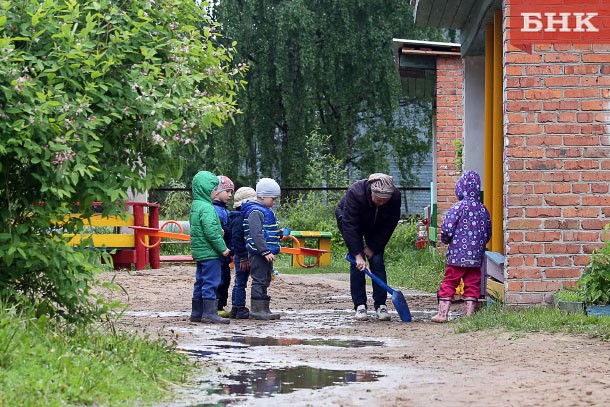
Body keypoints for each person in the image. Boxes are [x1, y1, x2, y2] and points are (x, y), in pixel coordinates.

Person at [335, 173, 401, 321]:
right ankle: (360, 305)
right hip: (351, 222)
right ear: (372, 192)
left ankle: (381, 305)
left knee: (377, 260)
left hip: (377, 227)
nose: (382, 203)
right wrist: (358, 254)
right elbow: (350, 225)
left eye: (385, 200)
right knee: (357, 263)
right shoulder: (355, 193)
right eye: (379, 200)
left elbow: (389, 225)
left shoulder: (395, 196)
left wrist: (373, 247)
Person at [432, 170, 492, 323]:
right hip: (476, 256)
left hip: (457, 255)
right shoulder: (483, 209)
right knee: (472, 283)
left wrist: (446, 240)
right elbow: (488, 232)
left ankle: (442, 314)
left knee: (450, 281)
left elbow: (447, 228)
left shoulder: (458, 207)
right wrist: (480, 246)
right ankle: (469, 315)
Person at [189, 170, 231, 324]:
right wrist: (223, 248)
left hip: (200, 251)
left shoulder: (196, 205)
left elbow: (200, 227)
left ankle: (197, 312)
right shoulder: (207, 207)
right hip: (210, 252)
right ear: (206, 190)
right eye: (213, 189)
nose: (215, 192)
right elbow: (211, 232)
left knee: (200, 281)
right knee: (211, 282)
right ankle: (209, 313)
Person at [242, 178, 282, 320]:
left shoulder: (264, 210)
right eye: (273, 198)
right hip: (258, 253)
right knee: (259, 279)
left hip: (266, 253)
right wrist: (264, 250)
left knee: (266, 278)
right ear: (263, 196)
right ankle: (257, 310)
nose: (274, 202)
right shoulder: (255, 212)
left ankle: (264, 308)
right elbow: (256, 233)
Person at [229, 186, 258, 319]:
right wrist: (243, 257)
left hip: (241, 254)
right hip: (243, 255)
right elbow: (237, 238)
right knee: (241, 282)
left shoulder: (237, 217)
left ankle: (236, 307)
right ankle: (239, 307)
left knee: (239, 281)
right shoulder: (240, 219)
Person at [211, 175, 235, 318]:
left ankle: (220, 305)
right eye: (227, 191)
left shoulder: (225, 210)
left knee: (225, 279)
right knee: (217, 280)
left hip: (226, 253)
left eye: (231, 192)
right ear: (217, 191)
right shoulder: (215, 210)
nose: (230, 195)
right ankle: (215, 306)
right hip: (218, 252)